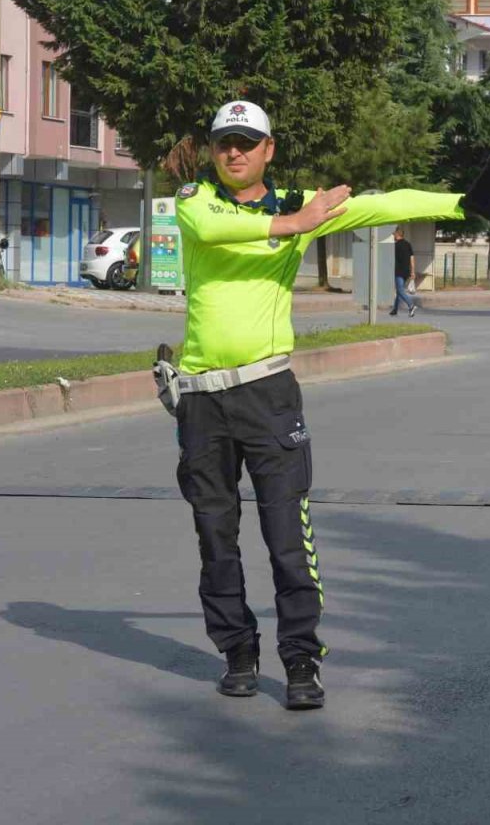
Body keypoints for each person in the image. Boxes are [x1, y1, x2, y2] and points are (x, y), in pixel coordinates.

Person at [171, 100, 467, 711]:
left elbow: (385, 205)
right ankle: (237, 652)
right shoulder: (196, 199)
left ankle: (301, 660)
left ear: (269, 149)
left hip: (268, 393)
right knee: (215, 536)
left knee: (287, 536)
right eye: (225, 142)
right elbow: (213, 231)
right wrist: (296, 223)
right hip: (202, 399)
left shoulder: (298, 203)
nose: (234, 152)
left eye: (246, 142)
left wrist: (468, 202)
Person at [389, 227, 418, 317]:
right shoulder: (408, 244)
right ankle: (395, 309)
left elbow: (391, 260)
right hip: (406, 272)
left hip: (398, 271)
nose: (393, 236)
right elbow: (412, 259)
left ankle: (411, 305)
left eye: (394, 234)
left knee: (400, 290)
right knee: (399, 291)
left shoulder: (395, 246)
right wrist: (412, 272)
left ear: (397, 234)